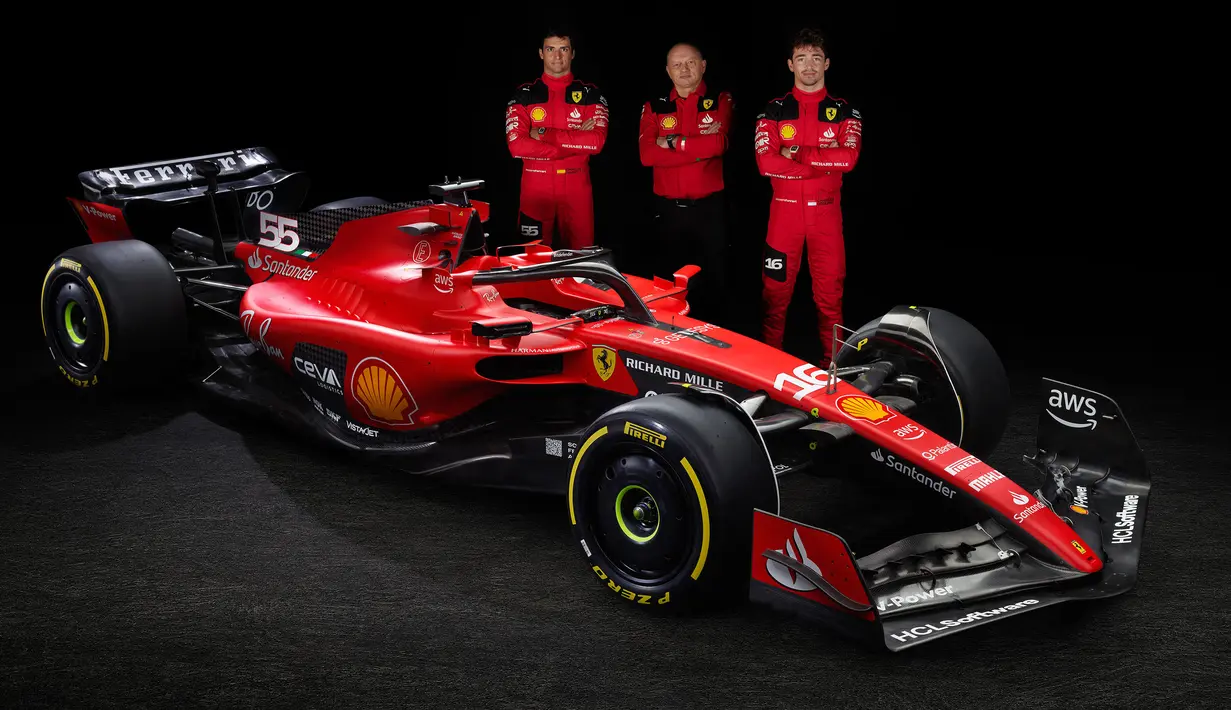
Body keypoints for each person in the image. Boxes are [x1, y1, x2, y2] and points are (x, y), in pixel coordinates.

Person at [754, 28, 863, 366]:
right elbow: (764, 162)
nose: (809, 65)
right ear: (790, 64)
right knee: (774, 296)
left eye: (816, 58)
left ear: (826, 63)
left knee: (831, 298)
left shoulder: (844, 110)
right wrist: (821, 158)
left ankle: (837, 370)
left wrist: (794, 155)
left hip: (826, 218)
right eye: (801, 58)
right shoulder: (773, 110)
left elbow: (848, 160)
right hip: (783, 217)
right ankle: (769, 369)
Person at [638, 42, 734, 323]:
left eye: (690, 62)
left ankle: (717, 349)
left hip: (710, 211)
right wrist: (696, 150)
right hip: (668, 213)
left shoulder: (720, 99)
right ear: (668, 71)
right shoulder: (654, 106)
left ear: (703, 66)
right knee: (667, 286)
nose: (684, 69)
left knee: (715, 284)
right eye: (677, 64)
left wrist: (670, 143)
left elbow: (719, 144)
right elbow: (646, 155)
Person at [505, 29, 609, 250]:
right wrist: (575, 143)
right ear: (541, 54)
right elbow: (516, 146)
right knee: (531, 258)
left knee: (582, 259)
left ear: (573, 53)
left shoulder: (590, 94)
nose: (557, 56)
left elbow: (596, 143)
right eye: (551, 49)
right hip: (536, 187)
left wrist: (543, 135)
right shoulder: (524, 94)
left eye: (564, 49)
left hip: (577, 187)